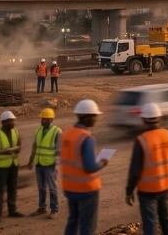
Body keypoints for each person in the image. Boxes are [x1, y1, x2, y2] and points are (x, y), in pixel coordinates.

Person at [126, 103, 168, 235]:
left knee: (150, 223)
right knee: (167, 219)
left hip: (148, 191)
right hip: (167, 186)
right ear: (160, 118)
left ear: (143, 120)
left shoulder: (141, 140)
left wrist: (129, 191)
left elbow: (135, 171)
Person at [61, 99, 110, 235]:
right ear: (86, 117)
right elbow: (90, 167)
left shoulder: (66, 134)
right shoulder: (87, 138)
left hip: (69, 187)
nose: (96, 118)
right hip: (86, 190)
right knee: (87, 227)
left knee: (73, 221)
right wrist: (103, 162)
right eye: (94, 116)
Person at [0, 110, 23, 223]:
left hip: (13, 165)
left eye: (13, 121)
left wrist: (17, 149)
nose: (13, 123)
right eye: (10, 121)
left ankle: (12, 211)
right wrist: (3, 152)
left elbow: (19, 146)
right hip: (0, 167)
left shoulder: (16, 132)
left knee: (12, 189)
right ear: (3, 122)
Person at [28, 107, 62, 219]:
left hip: (50, 165)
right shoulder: (38, 130)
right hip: (39, 163)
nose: (41, 121)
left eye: (44, 119)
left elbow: (59, 150)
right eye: (42, 118)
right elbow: (35, 145)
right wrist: (31, 160)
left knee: (52, 188)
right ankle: (42, 208)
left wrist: (56, 164)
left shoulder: (57, 131)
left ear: (50, 120)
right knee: (41, 188)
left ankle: (54, 209)